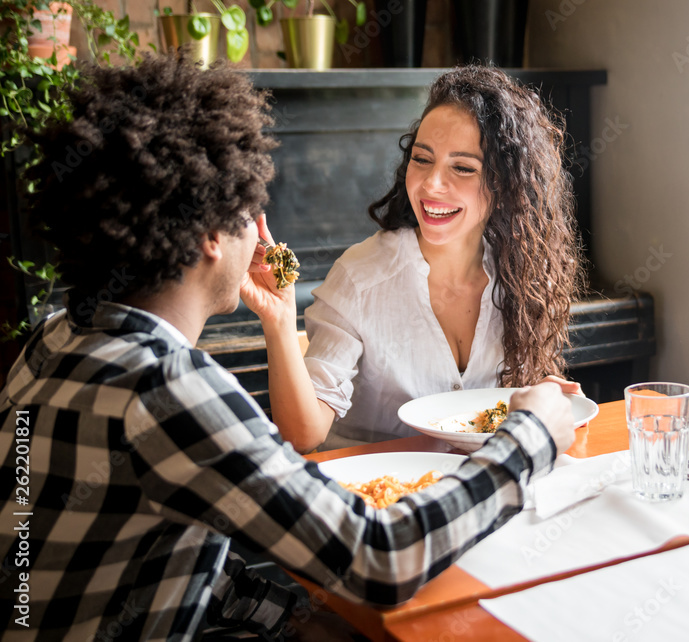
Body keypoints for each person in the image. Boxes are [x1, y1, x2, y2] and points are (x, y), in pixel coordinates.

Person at [0, 52, 576, 640]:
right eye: (250, 207)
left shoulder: (52, 340)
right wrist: (529, 438)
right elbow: (379, 558)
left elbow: (170, 566)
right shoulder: (169, 391)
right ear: (209, 239)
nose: (260, 227)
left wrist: (301, 621)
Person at [261, 65, 585, 452]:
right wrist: (278, 318)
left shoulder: (521, 272)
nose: (431, 185)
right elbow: (302, 435)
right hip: (376, 493)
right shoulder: (360, 277)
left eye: (463, 168)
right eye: (422, 159)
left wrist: (537, 398)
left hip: (477, 490)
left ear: (507, 185)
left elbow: (490, 416)